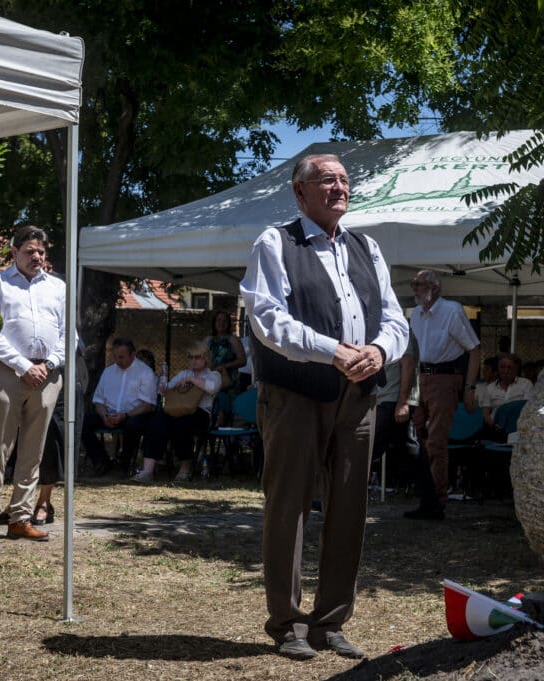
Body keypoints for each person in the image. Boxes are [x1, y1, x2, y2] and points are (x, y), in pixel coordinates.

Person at [240, 153, 408, 660]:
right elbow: (267, 318)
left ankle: (331, 621)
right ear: (300, 192)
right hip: (295, 393)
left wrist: (379, 351)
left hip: (358, 397)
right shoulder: (275, 242)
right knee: (288, 506)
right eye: (327, 181)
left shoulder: (367, 248)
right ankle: (288, 623)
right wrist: (331, 351)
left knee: (350, 508)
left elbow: (395, 319)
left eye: (344, 180)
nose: (339, 188)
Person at [0, 227, 65, 544]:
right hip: (9, 371)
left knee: (34, 450)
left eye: (41, 252)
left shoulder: (58, 287)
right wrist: (24, 366)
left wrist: (49, 364)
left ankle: (20, 517)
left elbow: (68, 334)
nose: (37, 257)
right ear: (14, 252)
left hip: (48, 375)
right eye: (30, 251)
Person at [402, 269, 480, 521]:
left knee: (436, 441)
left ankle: (436, 500)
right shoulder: (416, 314)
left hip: (445, 377)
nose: (414, 289)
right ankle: (427, 498)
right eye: (413, 284)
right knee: (417, 438)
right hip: (420, 376)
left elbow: (474, 349)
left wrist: (469, 388)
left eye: (419, 284)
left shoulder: (451, 311)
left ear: (434, 288)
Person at [133, 340, 221, 484]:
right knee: (157, 420)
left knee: (181, 423)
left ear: (206, 358)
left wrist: (192, 379)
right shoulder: (183, 373)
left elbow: (212, 388)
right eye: (191, 357)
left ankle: (185, 469)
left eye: (197, 357)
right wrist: (163, 381)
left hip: (201, 414)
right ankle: (147, 470)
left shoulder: (213, 375)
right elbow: (165, 389)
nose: (193, 361)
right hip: (178, 410)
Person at [80, 337, 157, 476]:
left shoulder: (145, 373)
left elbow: (148, 405)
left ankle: (124, 464)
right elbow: (98, 401)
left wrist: (125, 415)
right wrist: (104, 416)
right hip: (109, 414)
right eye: (115, 356)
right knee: (83, 423)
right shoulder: (108, 372)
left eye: (121, 357)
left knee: (132, 425)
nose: (117, 360)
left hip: (133, 415)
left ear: (132, 355)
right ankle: (101, 461)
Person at [32, 343, 87, 525]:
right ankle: (18, 503)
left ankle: (44, 501)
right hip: (25, 370)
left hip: (59, 373)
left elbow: (71, 342)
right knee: (20, 440)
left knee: (51, 441)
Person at [372, 335, 420, 492]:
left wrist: (403, 402)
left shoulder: (401, 331)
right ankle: (423, 490)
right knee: (405, 444)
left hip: (392, 399)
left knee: (371, 447)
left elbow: (409, 363)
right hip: (382, 398)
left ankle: (424, 489)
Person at [480, 353, 533, 440]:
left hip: (518, 428)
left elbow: (528, 408)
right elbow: (485, 413)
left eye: (510, 367)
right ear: (498, 369)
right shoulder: (490, 388)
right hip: (494, 429)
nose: (506, 370)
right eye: (503, 367)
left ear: (516, 369)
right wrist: (493, 425)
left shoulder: (526, 384)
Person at [205, 309, 246, 402]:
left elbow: (243, 360)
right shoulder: (207, 340)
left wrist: (225, 366)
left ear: (228, 323)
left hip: (228, 381)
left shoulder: (234, 340)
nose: (221, 323)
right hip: (210, 379)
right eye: (218, 320)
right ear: (214, 323)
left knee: (226, 406)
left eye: (225, 320)